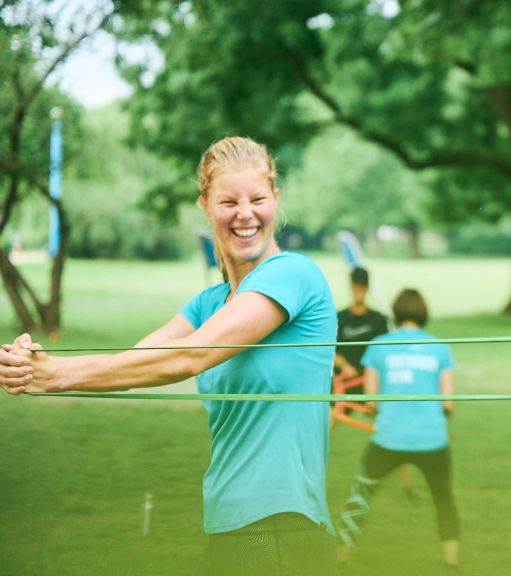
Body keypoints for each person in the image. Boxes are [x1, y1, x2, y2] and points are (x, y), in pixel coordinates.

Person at [0, 136, 338, 576]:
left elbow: (189, 358)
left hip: (279, 523)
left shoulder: (293, 275)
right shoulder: (209, 304)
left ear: (275, 198)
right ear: (205, 206)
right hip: (231, 518)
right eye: (228, 201)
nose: (245, 214)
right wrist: (38, 369)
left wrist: (54, 376)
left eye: (257, 199)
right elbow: (136, 364)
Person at [337, 288, 461, 573]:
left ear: (396, 312)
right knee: (444, 499)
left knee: (360, 496)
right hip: (432, 439)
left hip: (389, 438)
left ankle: (340, 558)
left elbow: (370, 399)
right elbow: (449, 403)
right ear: (423, 313)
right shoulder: (439, 346)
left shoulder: (379, 344)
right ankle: (452, 564)